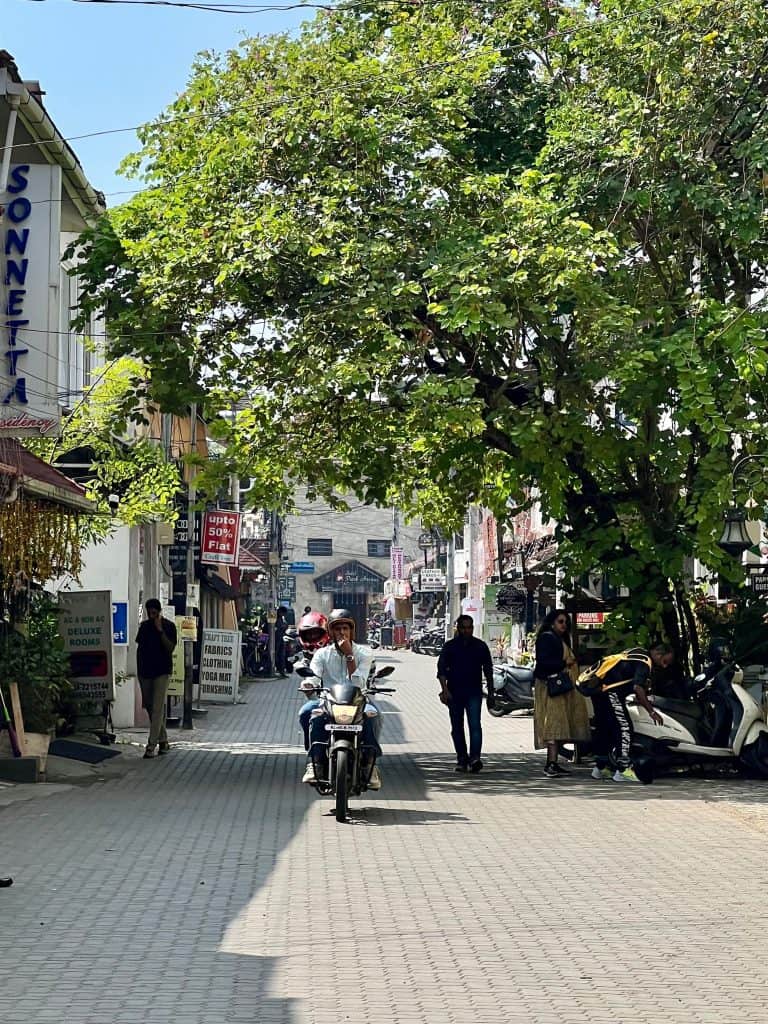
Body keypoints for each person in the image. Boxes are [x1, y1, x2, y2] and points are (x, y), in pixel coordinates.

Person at [304, 608, 382, 789]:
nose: (342, 633)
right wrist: (308, 684)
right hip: (328, 701)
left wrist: (349, 656)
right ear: (330, 632)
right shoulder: (322, 654)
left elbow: (359, 682)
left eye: (345, 628)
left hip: (358, 701)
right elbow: (314, 675)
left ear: (351, 631)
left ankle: (370, 764)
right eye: (337, 629)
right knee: (307, 713)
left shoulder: (364, 653)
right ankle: (315, 762)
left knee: (373, 715)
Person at [590, 643, 673, 783]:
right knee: (625, 728)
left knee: (606, 728)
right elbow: (637, 688)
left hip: (599, 691)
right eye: (664, 661)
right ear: (658, 654)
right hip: (612, 692)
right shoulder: (645, 662)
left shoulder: (636, 652)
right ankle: (623, 769)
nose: (664, 666)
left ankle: (601, 767)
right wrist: (651, 712)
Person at [533, 610, 591, 778]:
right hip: (550, 688)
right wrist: (565, 663)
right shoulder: (547, 638)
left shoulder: (559, 639)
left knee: (559, 724)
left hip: (560, 688)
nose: (564, 625)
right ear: (552, 623)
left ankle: (553, 763)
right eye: (560, 621)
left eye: (566, 622)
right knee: (553, 724)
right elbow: (544, 662)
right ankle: (551, 764)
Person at [437, 614, 493, 773]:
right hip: (454, 692)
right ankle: (462, 759)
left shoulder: (480, 646)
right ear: (458, 628)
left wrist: (491, 692)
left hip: (474, 692)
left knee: (475, 725)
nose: (466, 631)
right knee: (457, 727)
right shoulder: (450, 647)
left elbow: (488, 670)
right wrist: (445, 690)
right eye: (463, 628)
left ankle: (475, 758)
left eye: (469, 627)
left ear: (472, 628)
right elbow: (441, 670)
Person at [136, 598, 178, 759]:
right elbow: (140, 648)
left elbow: (170, 648)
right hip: (145, 671)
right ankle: (163, 740)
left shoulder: (169, 626)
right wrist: (139, 670)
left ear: (159, 612)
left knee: (157, 708)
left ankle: (151, 746)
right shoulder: (144, 627)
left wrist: (160, 631)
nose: (151, 615)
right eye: (149, 613)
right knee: (150, 706)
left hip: (162, 671)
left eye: (154, 612)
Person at [274, 606, 289, 677]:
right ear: (280, 612)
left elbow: (284, 626)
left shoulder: (281, 618)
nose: (284, 615)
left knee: (281, 655)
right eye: (283, 613)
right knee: (277, 655)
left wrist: (284, 626)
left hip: (280, 638)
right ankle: (279, 669)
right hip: (275, 639)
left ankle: (281, 671)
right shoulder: (275, 617)